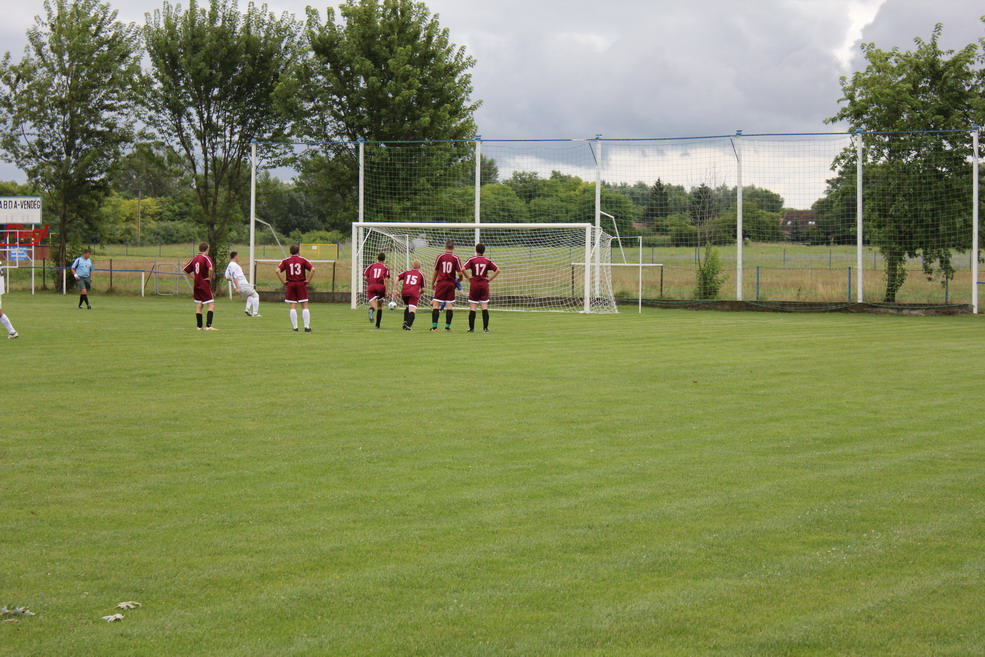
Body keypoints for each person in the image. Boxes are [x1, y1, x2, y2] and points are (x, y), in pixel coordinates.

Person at [462, 243, 501, 333]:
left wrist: (468, 277)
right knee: (484, 306)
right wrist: (489, 279)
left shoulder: (472, 259)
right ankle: (485, 328)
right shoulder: (487, 260)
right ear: (484, 251)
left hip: (474, 284)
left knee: (473, 306)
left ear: (476, 250)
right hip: (484, 284)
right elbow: (498, 270)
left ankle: (471, 328)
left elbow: (463, 269)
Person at [276, 244, 314, 332]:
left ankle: (295, 327)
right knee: (304, 305)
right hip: (301, 284)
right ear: (298, 251)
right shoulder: (303, 260)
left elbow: (277, 271)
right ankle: (307, 327)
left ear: (290, 252)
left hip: (291, 284)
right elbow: (313, 269)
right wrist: (308, 280)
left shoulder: (285, 261)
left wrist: (283, 282)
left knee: (293, 306)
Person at [430, 240, 463, 332]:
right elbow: (460, 273)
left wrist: (433, 283)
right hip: (451, 284)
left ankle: (434, 328)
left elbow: (436, 271)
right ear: (453, 248)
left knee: (436, 304)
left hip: (441, 283)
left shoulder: (440, 257)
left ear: (445, 247)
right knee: (449, 305)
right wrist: (460, 279)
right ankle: (447, 328)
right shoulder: (456, 258)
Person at [183, 242, 217, 330]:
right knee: (211, 304)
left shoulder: (195, 258)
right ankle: (209, 326)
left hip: (197, 284)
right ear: (207, 249)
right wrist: (210, 277)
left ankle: (199, 326)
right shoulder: (206, 258)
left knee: (200, 304)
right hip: (204, 284)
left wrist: (193, 277)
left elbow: (185, 270)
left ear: (199, 249)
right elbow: (210, 268)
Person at [224, 251, 260, 317]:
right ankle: (255, 313)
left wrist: (235, 283)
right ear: (235, 256)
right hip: (242, 284)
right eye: (237, 256)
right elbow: (234, 276)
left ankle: (247, 309)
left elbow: (227, 277)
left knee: (250, 295)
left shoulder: (229, 265)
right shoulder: (234, 265)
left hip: (239, 284)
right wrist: (237, 287)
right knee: (255, 295)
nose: (238, 257)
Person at [395, 259, 426, 331]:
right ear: (420, 266)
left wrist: (395, 289)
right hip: (413, 293)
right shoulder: (421, 274)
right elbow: (424, 289)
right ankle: (408, 325)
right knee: (412, 310)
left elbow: (397, 277)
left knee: (408, 306)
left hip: (404, 292)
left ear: (412, 265)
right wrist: (420, 292)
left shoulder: (407, 272)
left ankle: (405, 322)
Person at [363, 252, 390, 329]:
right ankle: (377, 325)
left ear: (377, 258)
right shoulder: (385, 268)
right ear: (384, 259)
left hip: (371, 286)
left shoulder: (371, 266)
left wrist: (371, 281)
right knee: (380, 306)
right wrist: (386, 292)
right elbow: (386, 280)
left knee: (373, 306)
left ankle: (371, 310)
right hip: (380, 287)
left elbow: (365, 277)